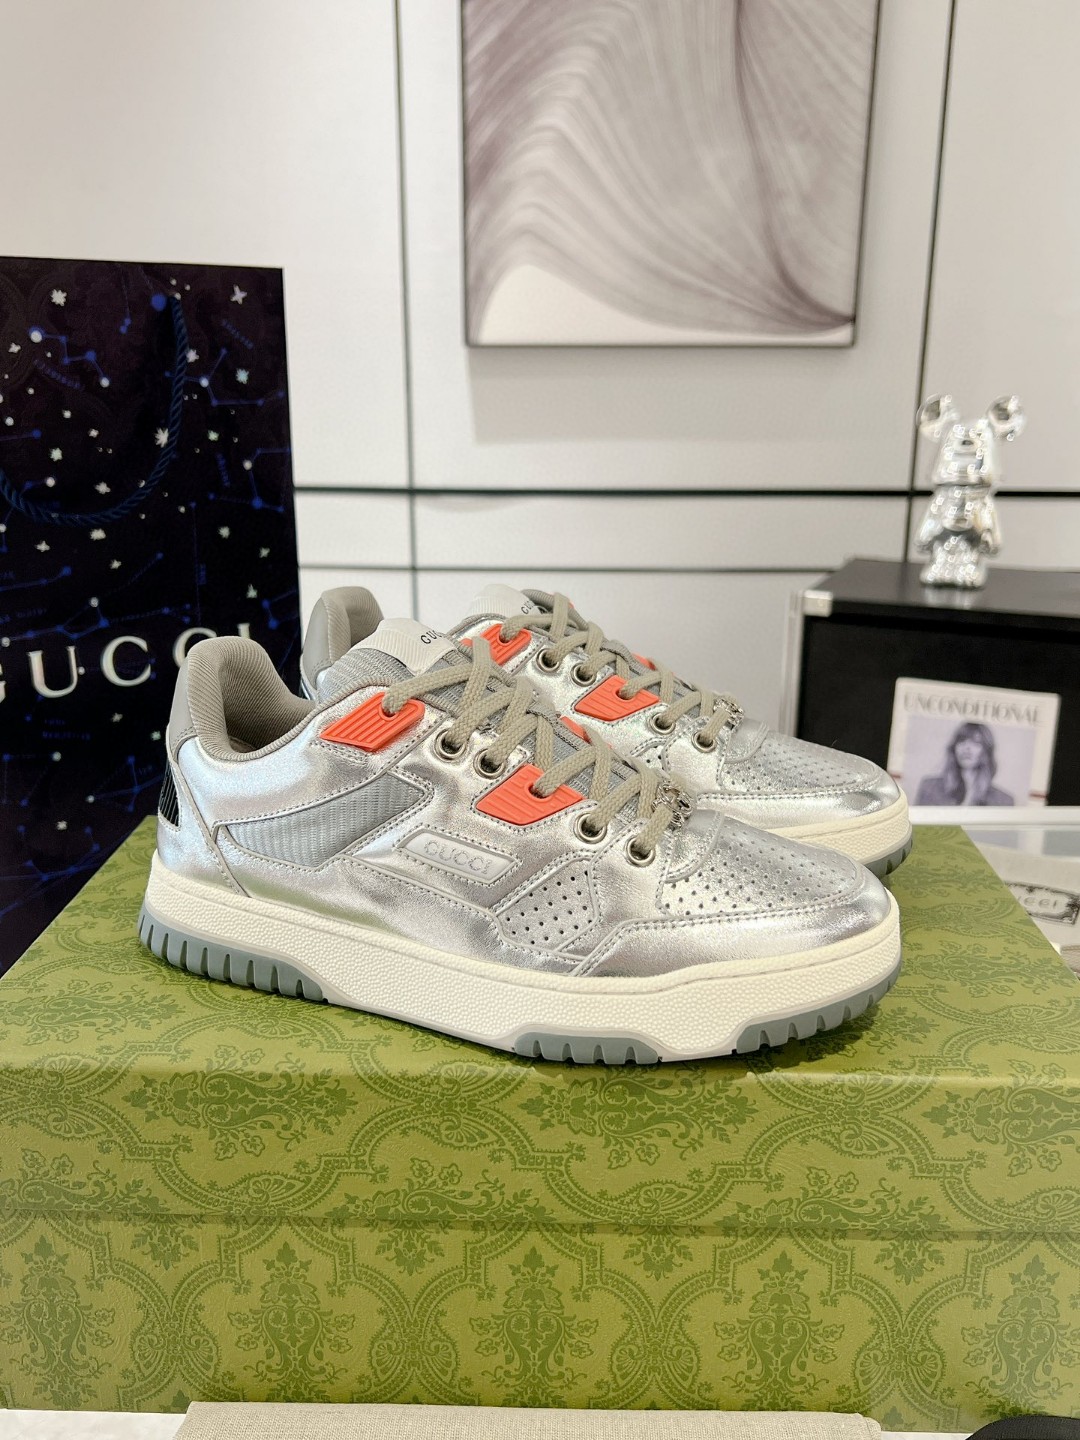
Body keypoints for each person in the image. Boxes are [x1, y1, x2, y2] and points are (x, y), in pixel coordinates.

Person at [915, 722, 1014, 806]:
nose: (967, 748)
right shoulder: (929, 788)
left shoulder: (1003, 800)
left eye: (976, 742)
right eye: (961, 741)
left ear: (986, 751)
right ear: (954, 748)